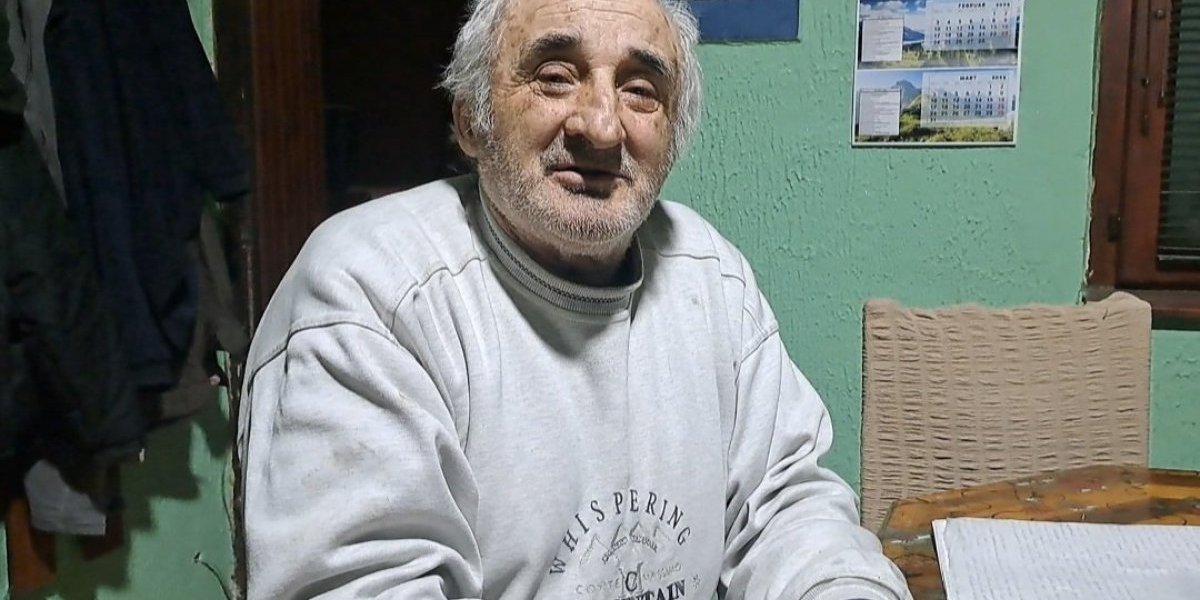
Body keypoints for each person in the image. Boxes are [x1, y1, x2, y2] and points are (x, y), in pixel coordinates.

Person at [237, 0, 913, 598]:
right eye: (555, 77)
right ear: (470, 121)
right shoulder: (371, 292)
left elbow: (785, 509)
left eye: (641, 90)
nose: (602, 126)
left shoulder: (712, 280)